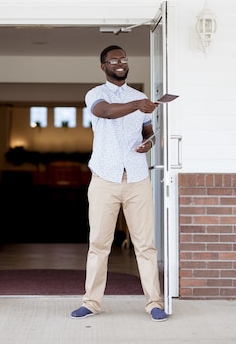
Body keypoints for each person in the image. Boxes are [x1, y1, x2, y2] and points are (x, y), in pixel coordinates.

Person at [70, 45, 167, 322]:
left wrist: (149, 143)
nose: (120, 63)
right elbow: (106, 112)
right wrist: (137, 106)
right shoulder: (96, 94)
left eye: (123, 59)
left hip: (137, 178)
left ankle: (154, 303)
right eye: (114, 60)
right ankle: (91, 302)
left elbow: (148, 133)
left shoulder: (141, 97)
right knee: (99, 244)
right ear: (104, 67)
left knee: (145, 245)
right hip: (105, 179)